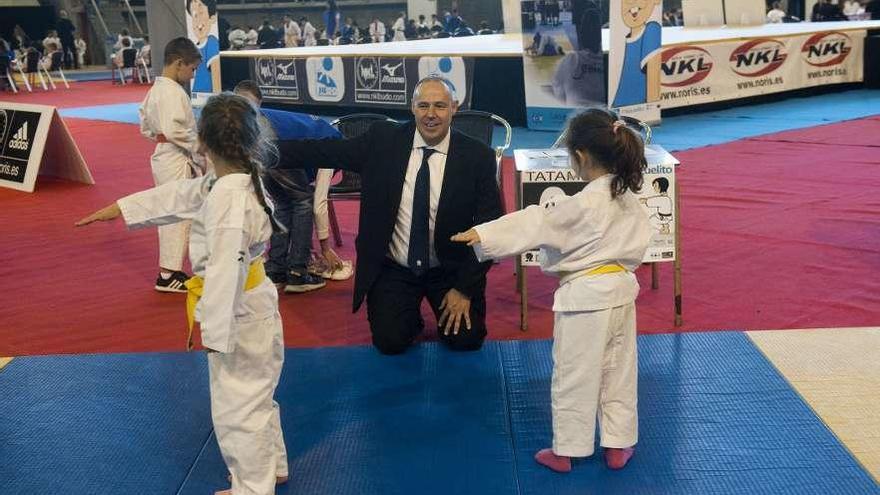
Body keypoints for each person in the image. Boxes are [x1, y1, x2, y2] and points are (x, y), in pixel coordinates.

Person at [76, 93, 289, 495]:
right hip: (252, 303)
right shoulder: (233, 180)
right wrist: (124, 207)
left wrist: (215, 330)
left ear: (202, 141)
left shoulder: (230, 198)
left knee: (237, 406)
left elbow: (227, 269)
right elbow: (185, 195)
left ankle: (253, 488)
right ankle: (270, 466)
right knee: (256, 394)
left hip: (237, 309)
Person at [451, 108, 652, 473]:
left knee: (575, 374)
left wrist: (485, 233)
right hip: (622, 293)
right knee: (618, 371)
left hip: (586, 300)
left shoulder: (586, 203)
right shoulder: (627, 198)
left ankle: (567, 449)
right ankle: (619, 443)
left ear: (581, 156)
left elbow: (539, 221)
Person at [273, 76, 503, 355]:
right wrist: (260, 152)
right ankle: (406, 314)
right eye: (424, 105)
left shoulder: (478, 156)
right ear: (412, 107)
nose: (431, 114)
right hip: (395, 267)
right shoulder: (383, 141)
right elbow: (322, 150)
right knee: (391, 341)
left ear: (454, 107)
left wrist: (465, 289)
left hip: (449, 269)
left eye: (440, 106)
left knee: (466, 340)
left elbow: (491, 227)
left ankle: (440, 305)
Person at [233, 80, 337, 293]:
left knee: (282, 203)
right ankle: (298, 271)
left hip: (264, 144)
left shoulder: (249, 117)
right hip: (274, 142)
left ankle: (276, 269)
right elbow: (318, 202)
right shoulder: (334, 140)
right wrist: (326, 247)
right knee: (303, 201)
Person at [137, 37, 202, 292]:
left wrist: (160, 137)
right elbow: (176, 130)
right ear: (178, 63)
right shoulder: (172, 92)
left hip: (165, 153)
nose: (192, 74)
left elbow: (145, 126)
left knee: (175, 213)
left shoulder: (156, 89)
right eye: (192, 68)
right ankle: (168, 273)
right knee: (178, 214)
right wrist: (202, 147)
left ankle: (173, 270)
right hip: (176, 155)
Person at [611, 0, 662, 108]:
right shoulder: (620, 39)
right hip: (619, 107)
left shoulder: (652, 30)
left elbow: (653, 80)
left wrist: (651, 108)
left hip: (638, 107)